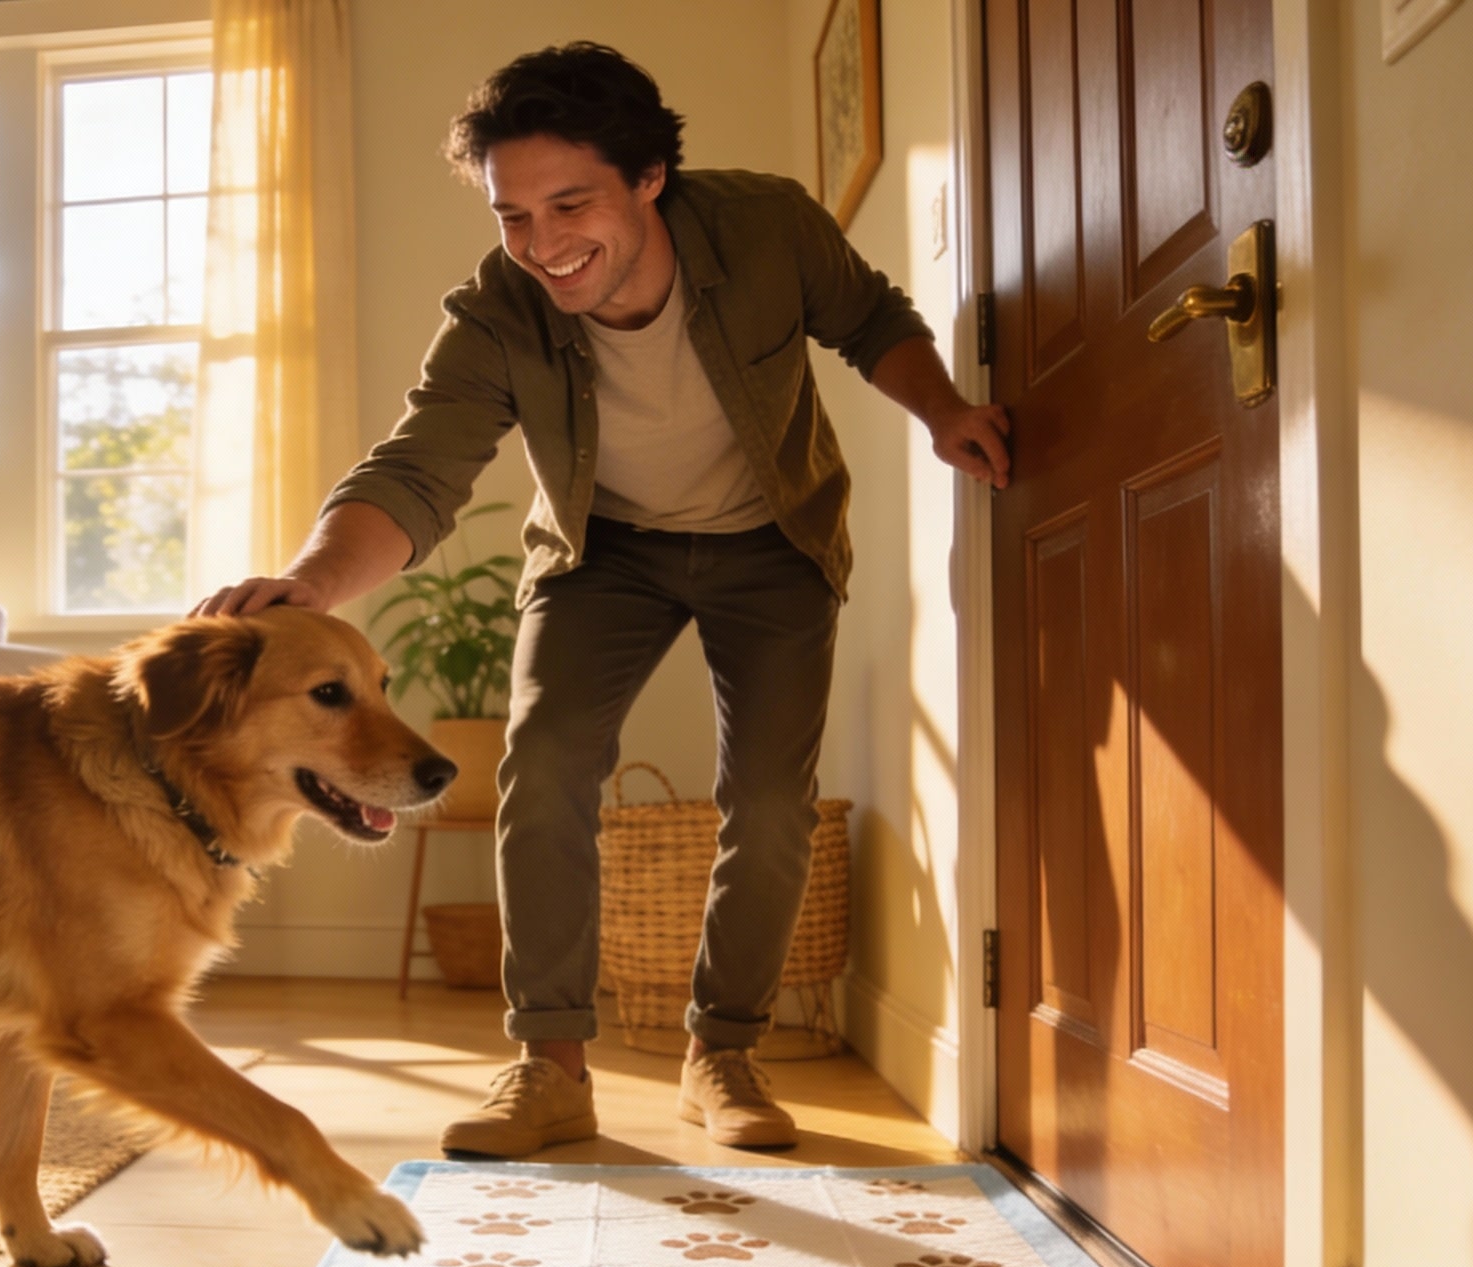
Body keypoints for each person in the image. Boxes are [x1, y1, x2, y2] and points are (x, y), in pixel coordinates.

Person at [194, 42, 1010, 1157]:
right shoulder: (497, 311)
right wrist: (308, 584)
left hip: (774, 540)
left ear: (648, 179)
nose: (541, 244)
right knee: (547, 762)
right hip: (601, 552)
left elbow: (869, 320)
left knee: (770, 804)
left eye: (568, 203)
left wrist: (943, 409)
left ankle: (722, 1051)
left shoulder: (769, 227)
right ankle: (550, 1066)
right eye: (511, 216)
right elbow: (417, 470)